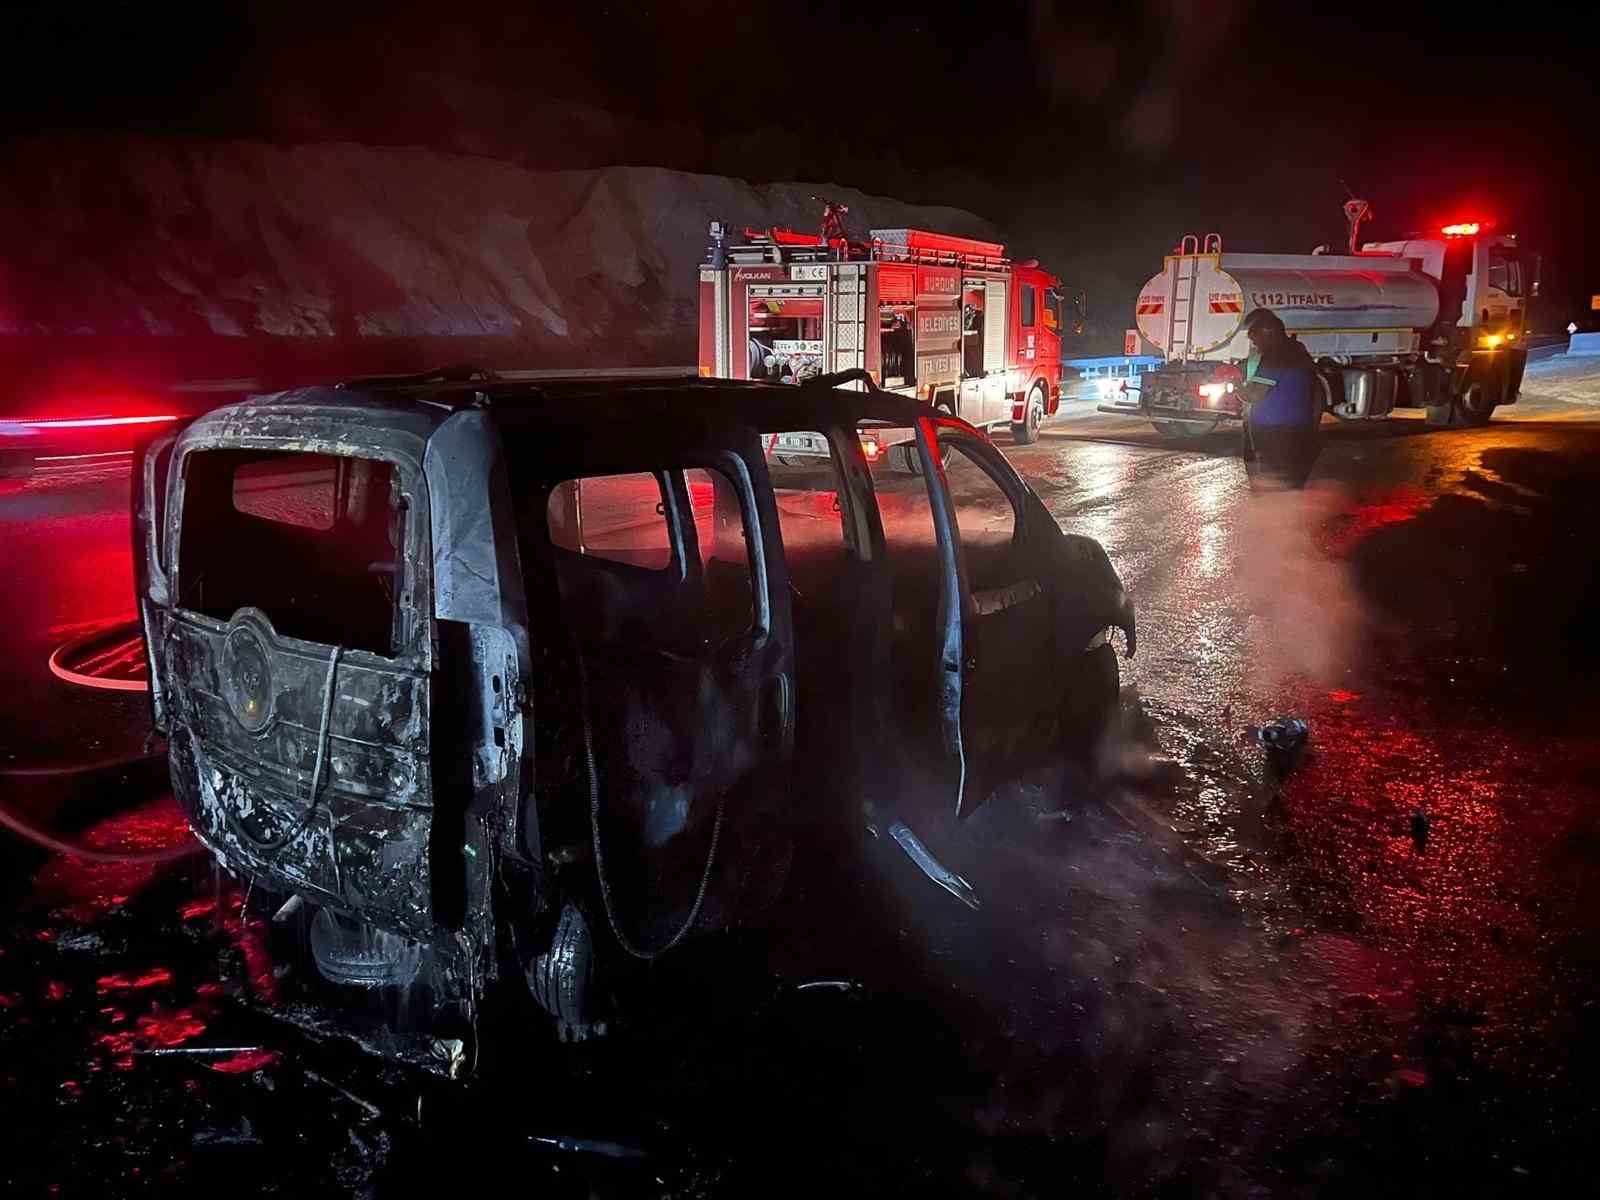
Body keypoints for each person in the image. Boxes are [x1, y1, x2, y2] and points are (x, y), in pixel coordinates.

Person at [1237, 308, 1320, 489]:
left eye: (1255, 340)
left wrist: (1234, 384)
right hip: (1300, 431)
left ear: (1268, 333)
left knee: (1274, 488)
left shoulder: (1275, 356)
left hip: (1276, 436)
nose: (1255, 346)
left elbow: (1254, 394)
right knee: (1291, 487)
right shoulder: (1298, 349)